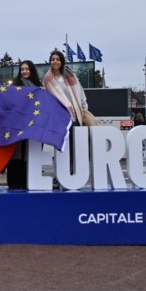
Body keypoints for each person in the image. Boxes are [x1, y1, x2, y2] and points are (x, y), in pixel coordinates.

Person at [42, 50, 88, 189]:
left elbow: (80, 93)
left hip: (73, 117)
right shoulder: (47, 79)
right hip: (58, 118)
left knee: (73, 148)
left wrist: (84, 107)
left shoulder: (70, 76)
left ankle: (72, 174)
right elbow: (46, 98)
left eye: (58, 59)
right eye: (53, 59)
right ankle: (59, 175)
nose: (55, 61)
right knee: (60, 148)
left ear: (61, 61)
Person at [6, 60, 42, 190]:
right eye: (22, 69)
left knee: (29, 153)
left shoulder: (38, 86)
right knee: (17, 153)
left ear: (31, 70)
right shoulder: (16, 84)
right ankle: (15, 182)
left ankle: (27, 181)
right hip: (17, 124)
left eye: (27, 69)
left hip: (33, 125)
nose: (24, 71)